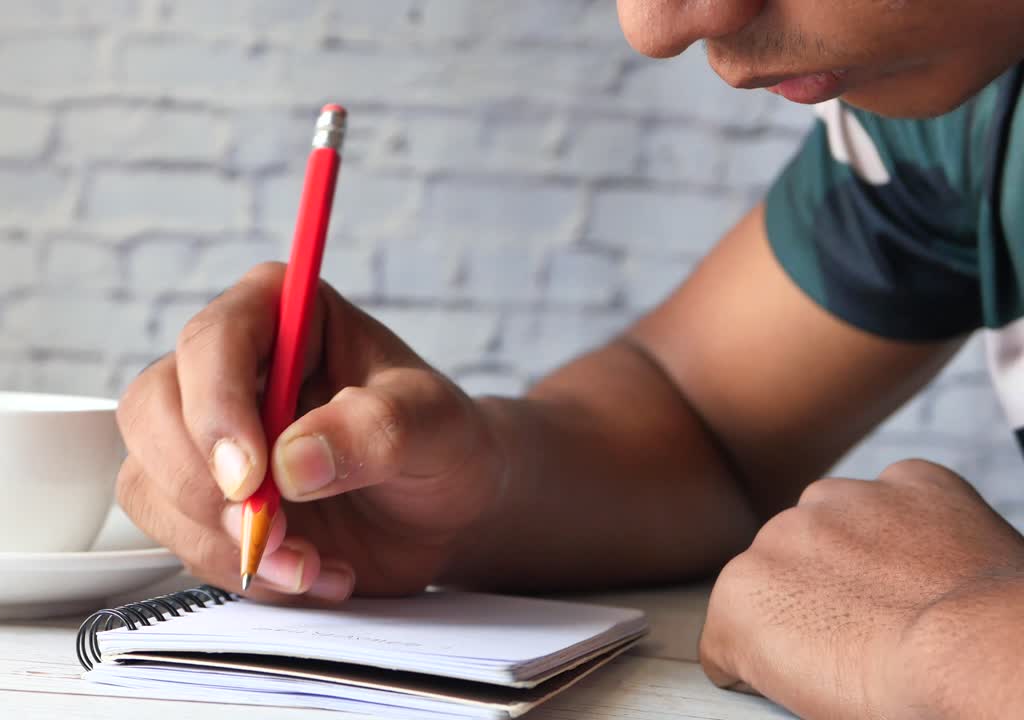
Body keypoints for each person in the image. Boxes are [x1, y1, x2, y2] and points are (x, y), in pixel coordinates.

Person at [114, 2, 1024, 717]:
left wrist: (965, 648)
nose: (657, 26)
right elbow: (700, 424)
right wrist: (466, 492)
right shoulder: (957, 119)